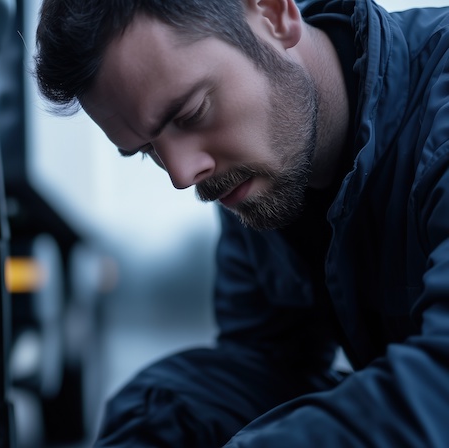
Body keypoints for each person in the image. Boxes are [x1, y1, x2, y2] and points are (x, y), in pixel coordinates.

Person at [33, 0, 449, 446]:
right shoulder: (259, 172)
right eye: (147, 151)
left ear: (274, 15)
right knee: (169, 411)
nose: (181, 174)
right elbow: (262, 371)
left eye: (190, 113)